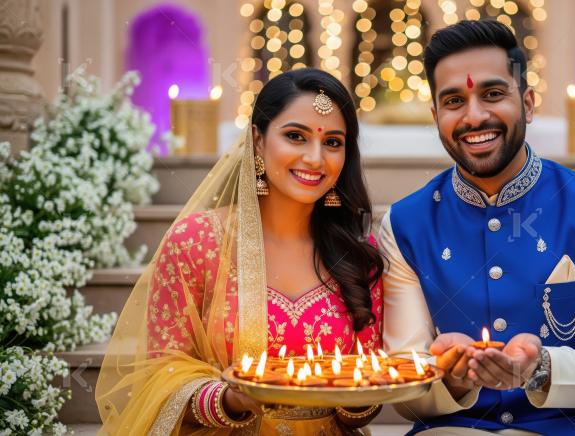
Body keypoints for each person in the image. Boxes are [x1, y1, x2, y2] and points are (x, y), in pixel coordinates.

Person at [379, 20, 575, 435]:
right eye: (454, 101)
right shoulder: (405, 225)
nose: (475, 116)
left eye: (493, 94)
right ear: (436, 116)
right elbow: (404, 386)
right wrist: (450, 379)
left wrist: (541, 367)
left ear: (527, 103)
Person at [96, 68, 384, 435]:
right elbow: (160, 373)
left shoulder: (357, 253)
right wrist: (231, 400)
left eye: (332, 142)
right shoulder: (197, 242)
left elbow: (364, 398)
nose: (315, 158)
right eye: (295, 136)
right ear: (258, 141)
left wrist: (359, 397)